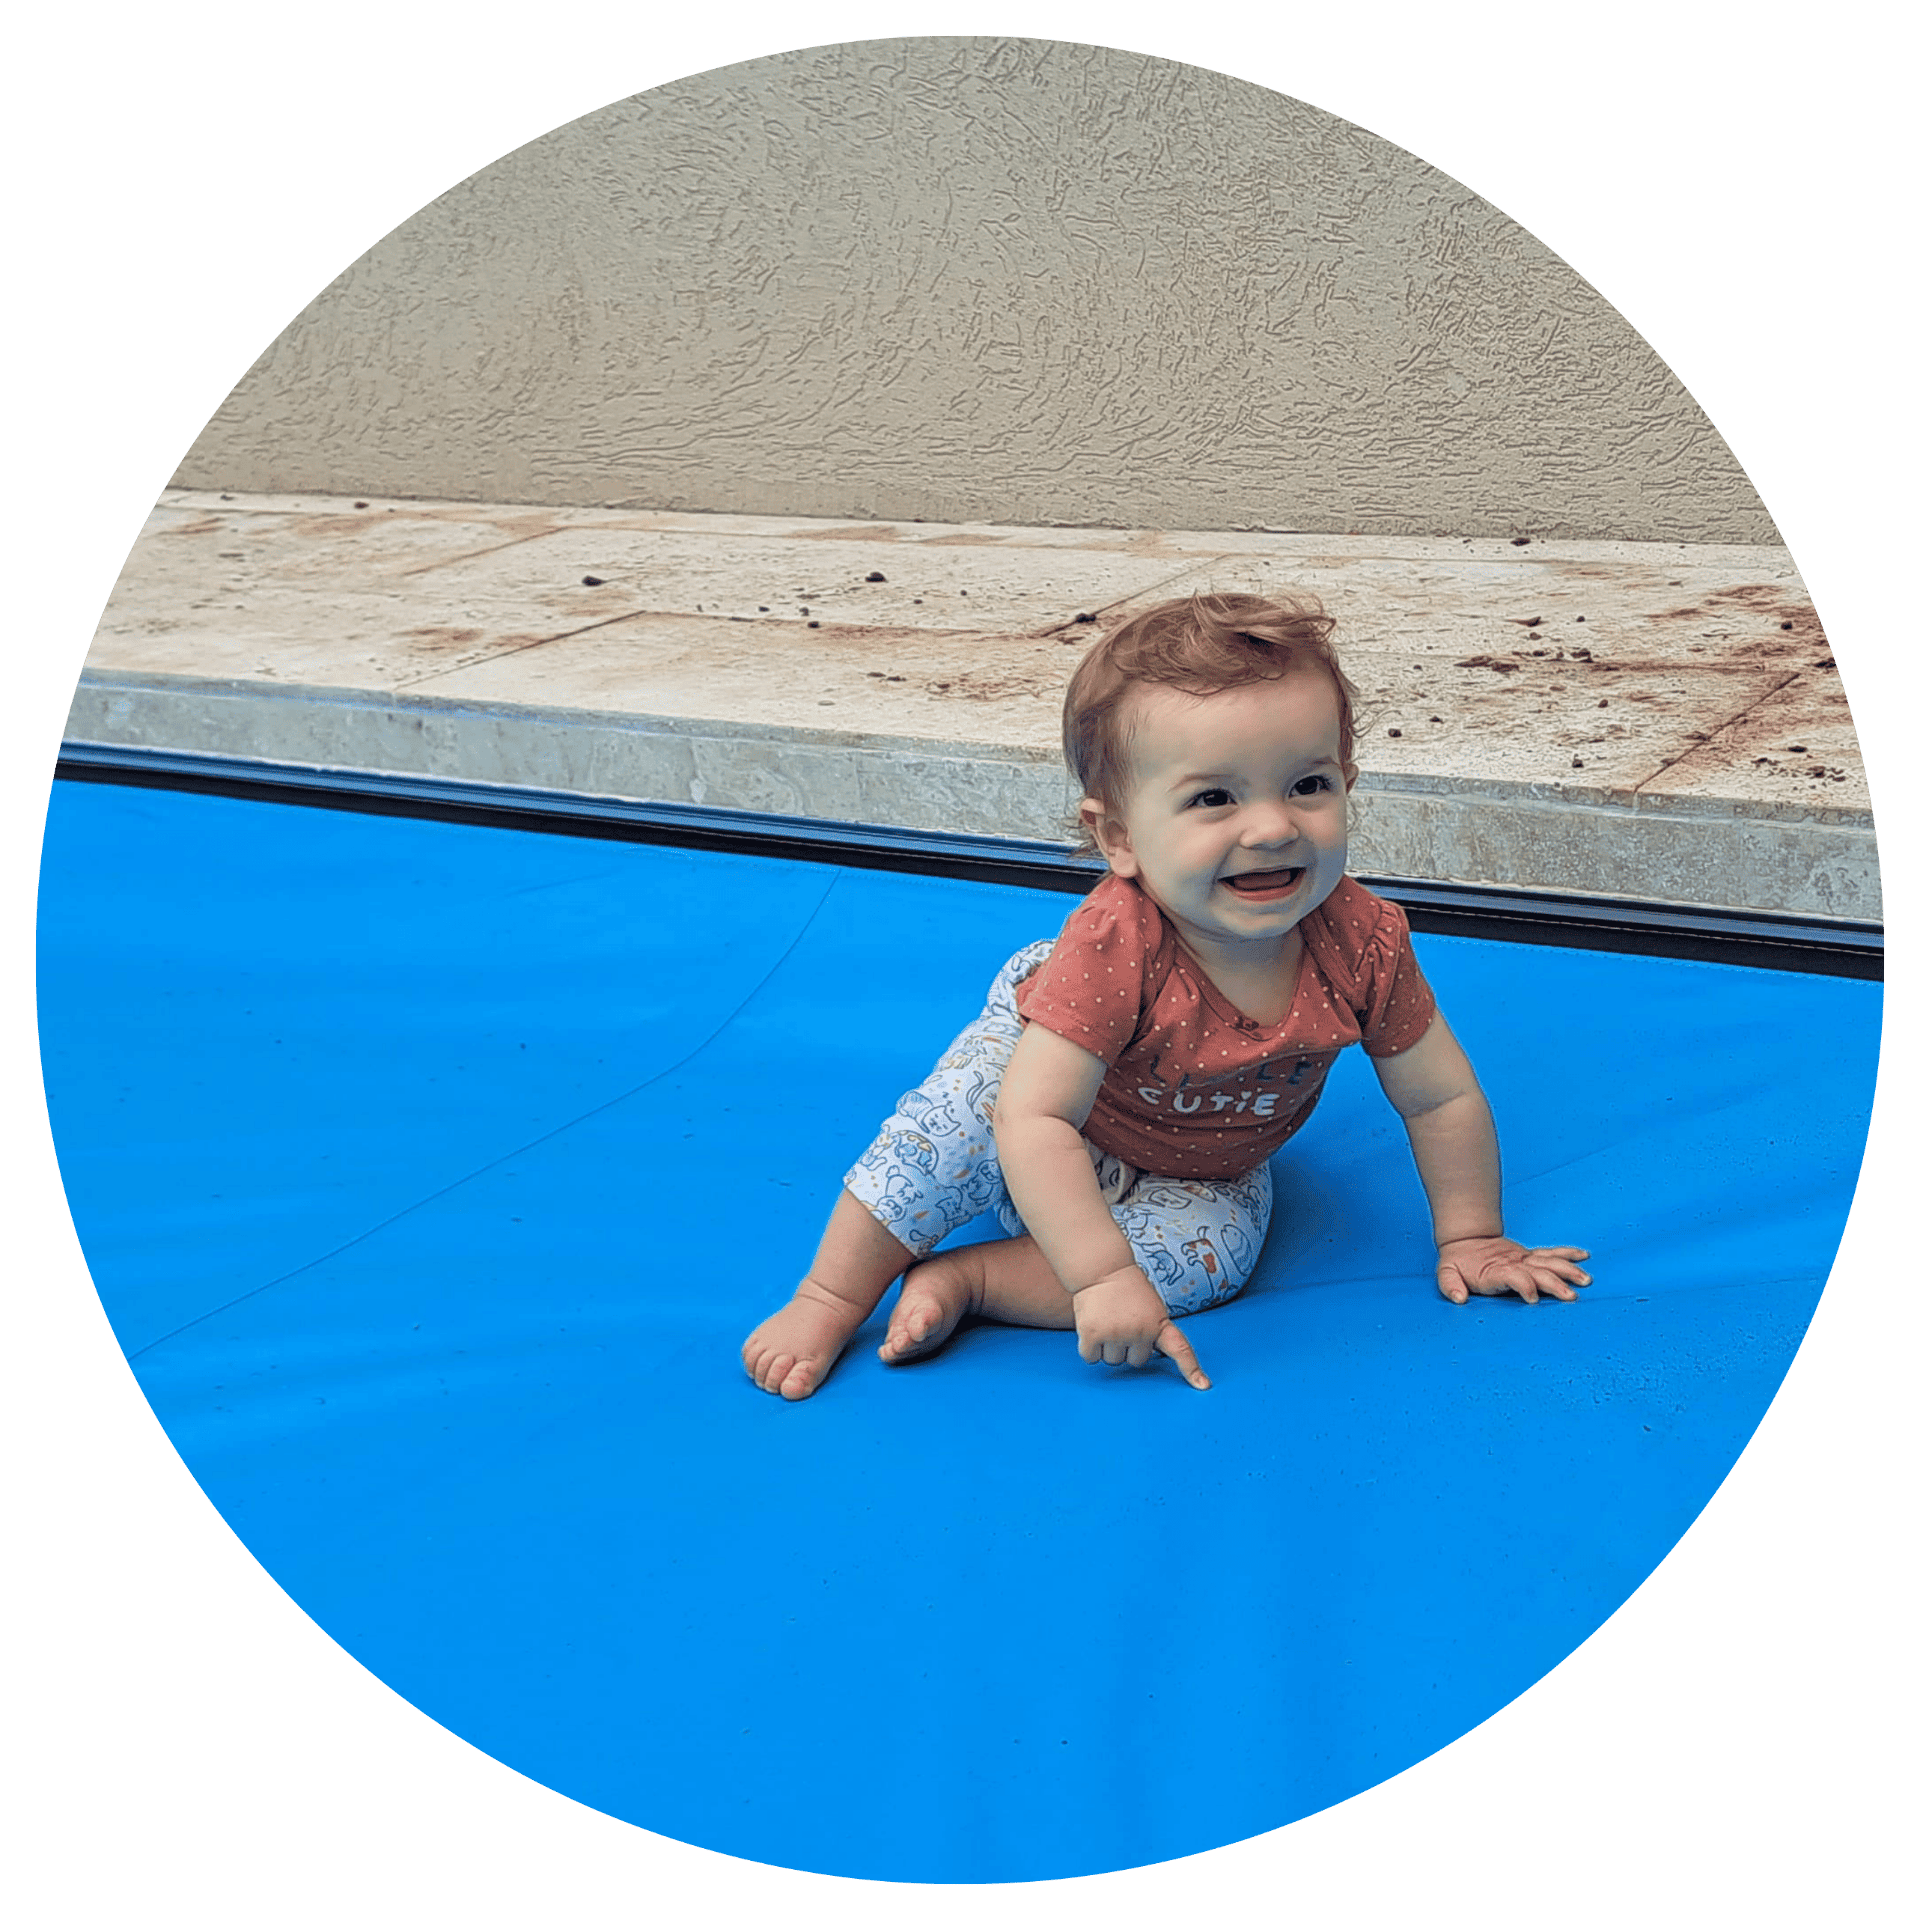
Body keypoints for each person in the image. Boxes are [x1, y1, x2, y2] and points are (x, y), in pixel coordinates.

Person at [742, 592, 1589, 1400]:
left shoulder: (1364, 943)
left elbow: (1440, 1097)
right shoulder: (1117, 945)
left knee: (1211, 1260)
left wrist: (1472, 1234)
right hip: (1053, 1099)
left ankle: (974, 1280)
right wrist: (1100, 1276)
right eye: (1214, 798)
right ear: (1120, 838)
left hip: (1202, 1158)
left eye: (1308, 785)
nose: (1273, 827)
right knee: (956, 1123)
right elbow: (1035, 1121)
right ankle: (831, 1294)